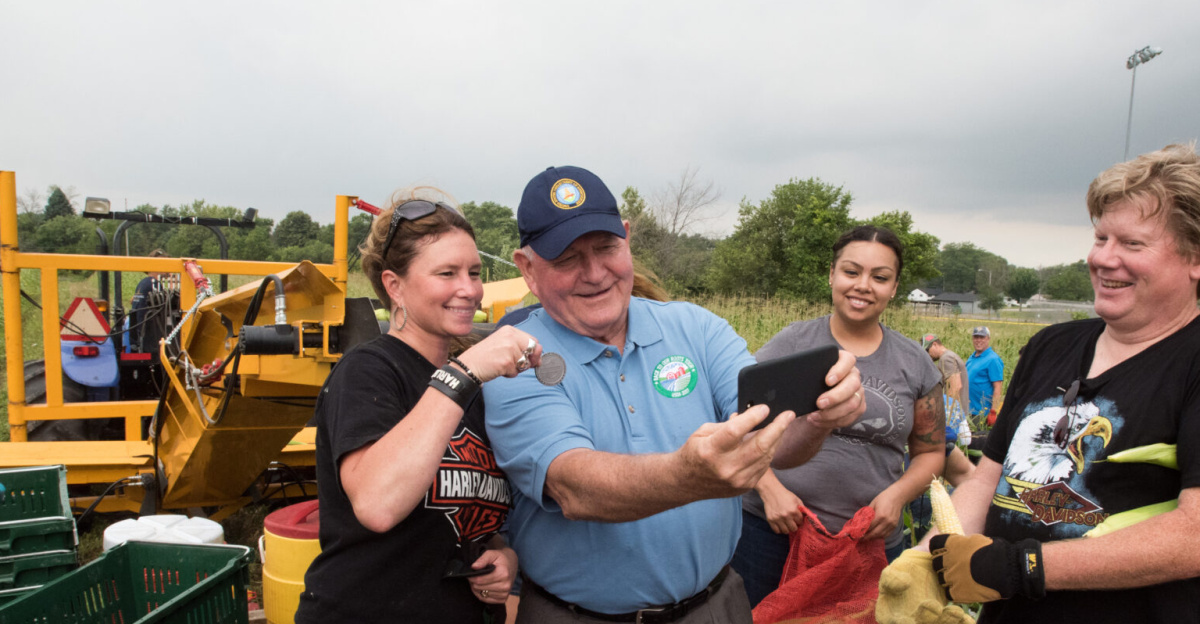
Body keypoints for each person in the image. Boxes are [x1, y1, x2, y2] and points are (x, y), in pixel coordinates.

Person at [484, 165, 866, 623]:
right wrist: (687, 475)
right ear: (527, 268)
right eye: (566, 259)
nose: (594, 273)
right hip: (576, 615)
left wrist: (818, 418)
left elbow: (773, 437)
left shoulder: (695, 327)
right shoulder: (513, 356)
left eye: (606, 248)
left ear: (626, 238)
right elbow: (573, 487)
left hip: (715, 605)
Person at [923, 144, 1200, 622]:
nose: (1104, 260)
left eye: (1132, 244)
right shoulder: (1052, 345)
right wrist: (927, 559)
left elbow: (1194, 534)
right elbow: (988, 477)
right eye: (1100, 238)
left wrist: (1024, 567)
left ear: (1195, 258)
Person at [296, 189, 540, 623]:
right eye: (447, 273)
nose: (469, 289)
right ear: (395, 286)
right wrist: (462, 374)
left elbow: (460, 516)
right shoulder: (367, 371)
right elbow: (377, 505)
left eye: (474, 272)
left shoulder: (472, 385)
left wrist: (501, 555)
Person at [731, 225, 946, 606]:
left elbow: (931, 452)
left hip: (868, 543)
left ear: (894, 287)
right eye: (851, 272)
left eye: (880, 277)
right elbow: (739, 429)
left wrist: (896, 497)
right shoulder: (791, 344)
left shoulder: (915, 363)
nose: (863, 285)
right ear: (832, 275)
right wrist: (770, 490)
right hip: (772, 535)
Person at [964, 326, 1003, 421]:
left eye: (982, 337)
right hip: (968, 409)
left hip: (981, 413)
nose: (978, 340)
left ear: (988, 339)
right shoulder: (972, 357)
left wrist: (993, 412)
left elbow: (998, 386)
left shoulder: (993, 359)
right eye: (976, 337)